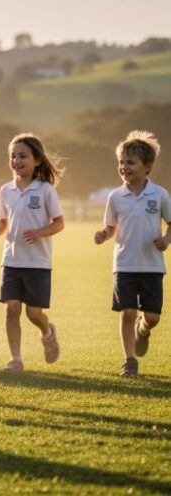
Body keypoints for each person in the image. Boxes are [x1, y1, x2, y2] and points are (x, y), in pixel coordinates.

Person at [0, 133, 64, 372]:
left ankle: (47, 332)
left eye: (22, 156)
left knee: (33, 313)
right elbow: (2, 223)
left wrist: (40, 232)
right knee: (11, 309)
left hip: (38, 263)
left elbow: (59, 223)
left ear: (37, 160)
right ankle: (15, 359)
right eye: (13, 156)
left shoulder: (45, 190)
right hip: (11, 261)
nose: (16, 161)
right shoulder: (6, 190)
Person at [95, 131, 170, 377]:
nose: (124, 167)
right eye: (121, 162)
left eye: (130, 162)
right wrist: (103, 235)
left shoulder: (159, 194)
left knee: (153, 316)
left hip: (152, 266)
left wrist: (166, 239)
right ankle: (129, 361)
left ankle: (144, 329)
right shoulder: (115, 196)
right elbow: (110, 226)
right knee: (127, 312)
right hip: (124, 265)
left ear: (147, 166)